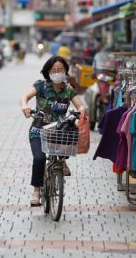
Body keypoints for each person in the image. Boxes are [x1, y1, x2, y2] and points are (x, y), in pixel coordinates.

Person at [20, 56, 87, 205]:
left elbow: (79, 105)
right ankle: (36, 191)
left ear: (65, 71)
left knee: (71, 135)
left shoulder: (69, 89)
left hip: (59, 131)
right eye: (54, 70)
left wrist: (82, 111)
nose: (57, 73)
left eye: (60, 70)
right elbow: (25, 97)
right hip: (39, 130)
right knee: (39, 159)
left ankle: (62, 162)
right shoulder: (40, 86)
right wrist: (25, 106)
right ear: (48, 72)